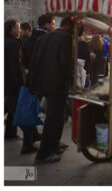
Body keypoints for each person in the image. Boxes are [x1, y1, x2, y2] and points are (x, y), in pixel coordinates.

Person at [29, 17, 77, 164]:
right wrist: (70, 82)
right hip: (57, 86)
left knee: (56, 117)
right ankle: (43, 154)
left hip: (43, 84)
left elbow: (35, 60)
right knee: (53, 119)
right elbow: (66, 64)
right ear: (69, 25)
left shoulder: (44, 37)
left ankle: (53, 145)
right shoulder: (66, 38)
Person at [6, 18, 38, 154]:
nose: (19, 30)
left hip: (7, 85)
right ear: (11, 30)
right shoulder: (14, 43)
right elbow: (15, 66)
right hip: (13, 86)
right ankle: (29, 141)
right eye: (18, 27)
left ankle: (28, 140)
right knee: (23, 115)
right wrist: (21, 84)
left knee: (15, 112)